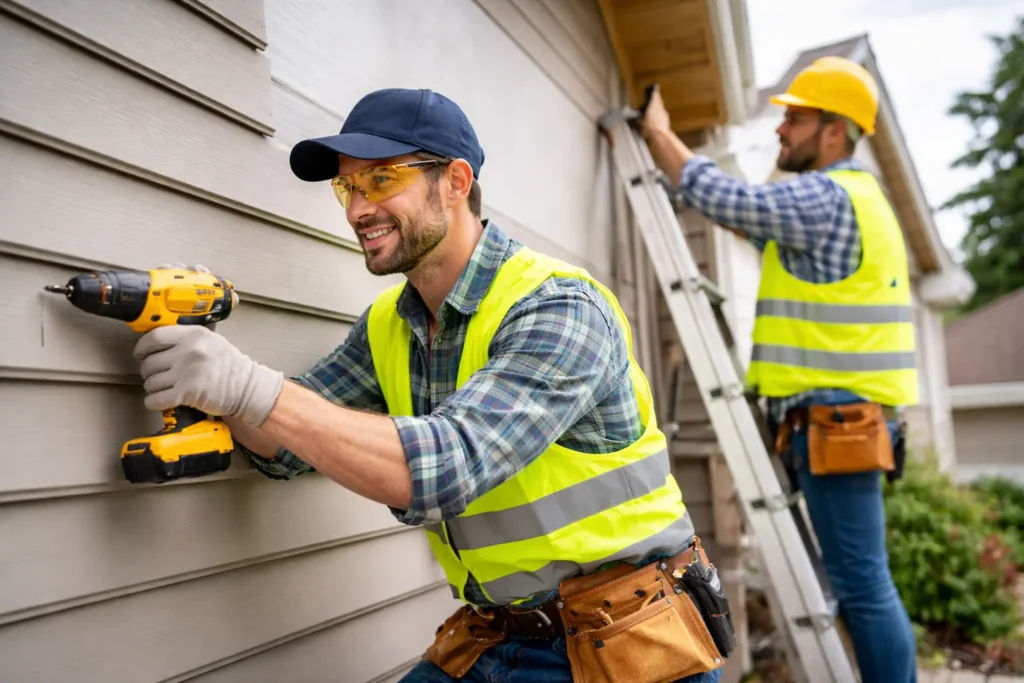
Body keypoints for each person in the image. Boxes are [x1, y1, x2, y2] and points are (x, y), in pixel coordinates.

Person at [131, 87, 735, 682]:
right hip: (496, 633)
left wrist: (246, 388)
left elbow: (446, 468)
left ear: (456, 182)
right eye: (348, 187)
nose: (356, 209)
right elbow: (285, 444)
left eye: (382, 180)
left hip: (626, 639)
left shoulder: (558, 307)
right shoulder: (390, 327)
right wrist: (206, 372)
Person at [637, 56, 919, 683]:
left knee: (864, 585)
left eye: (795, 119)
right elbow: (756, 221)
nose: (781, 130)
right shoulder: (855, 201)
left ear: (835, 131)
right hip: (836, 420)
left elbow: (729, 200)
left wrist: (658, 134)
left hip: (837, 423)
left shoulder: (826, 196)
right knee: (857, 581)